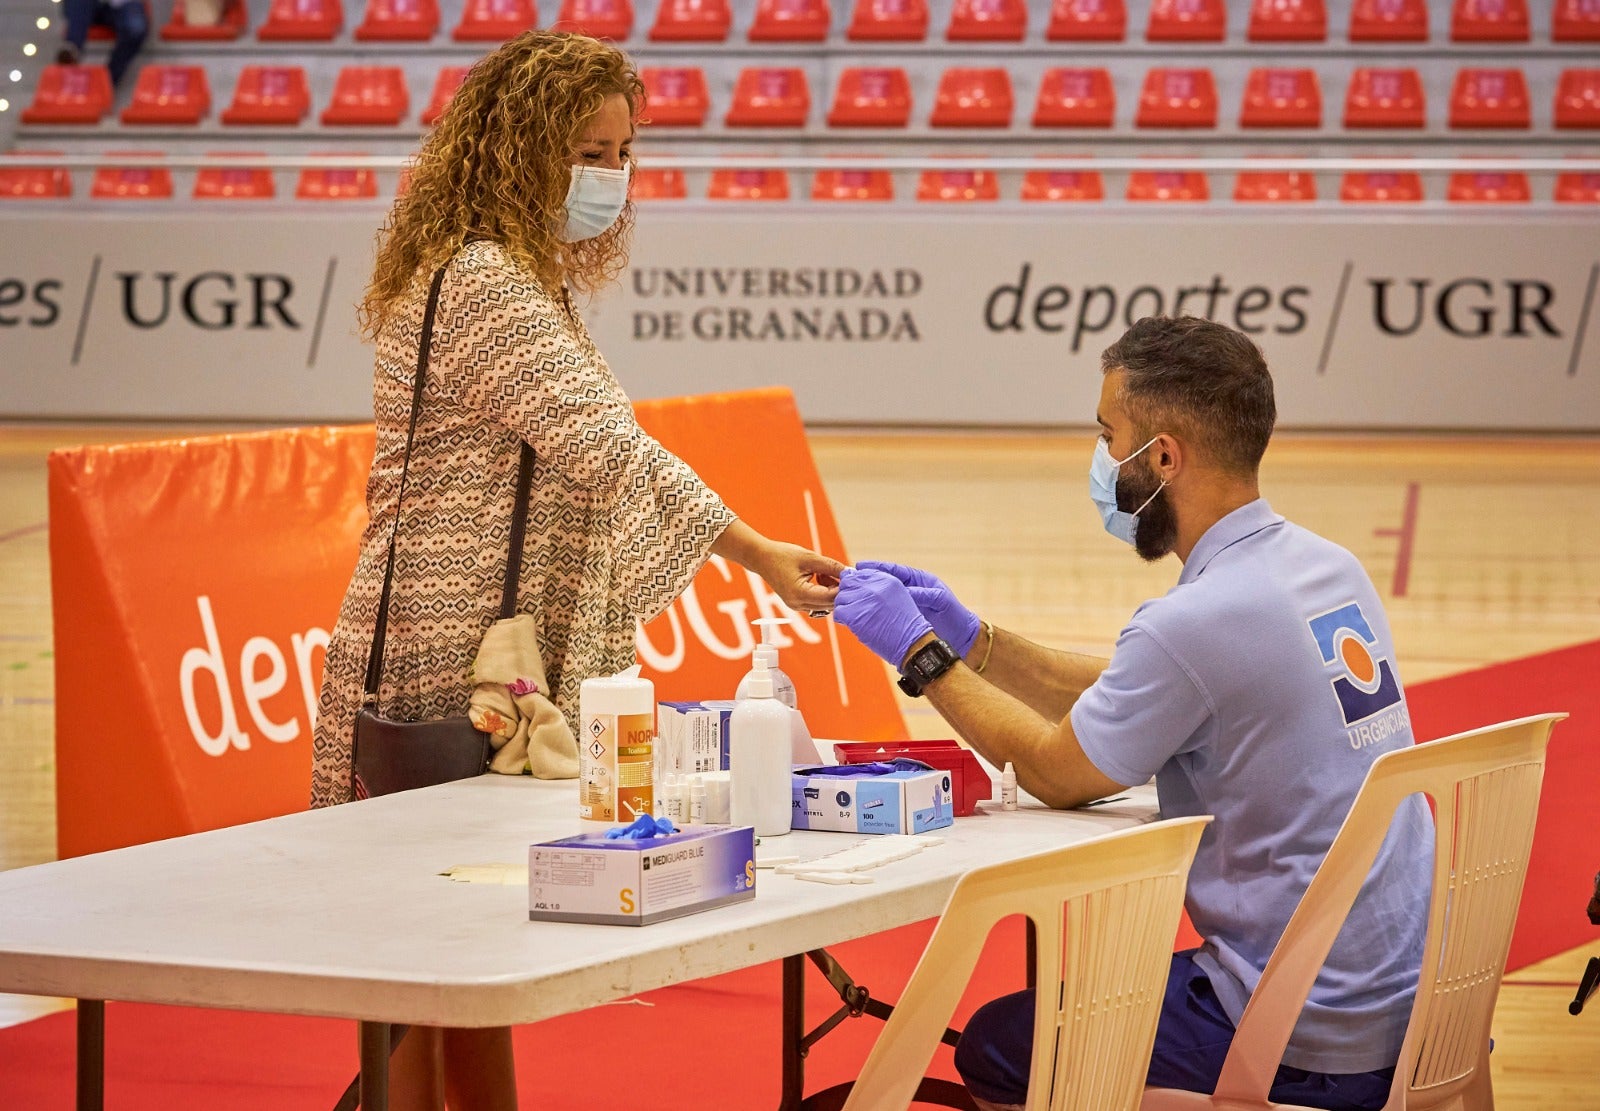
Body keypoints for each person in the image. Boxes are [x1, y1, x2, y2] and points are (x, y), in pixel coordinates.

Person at [309, 31, 841, 1111]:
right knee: (423, 959)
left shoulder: (505, 274)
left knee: (477, 954)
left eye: (621, 153)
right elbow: (612, 446)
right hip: (440, 646)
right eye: (585, 152)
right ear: (516, 148)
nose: (608, 177)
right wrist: (757, 553)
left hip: (478, 639)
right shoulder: (485, 282)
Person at [832, 315, 1433, 1111]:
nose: (1101, 461)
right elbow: (1148, 691)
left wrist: (919, 654)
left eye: (1108, 435)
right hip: (1417, 1010)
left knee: (997, 1044)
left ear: (1162, 458)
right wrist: (976, 641)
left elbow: (1055, 769)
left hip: (1306, 1036)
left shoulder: (1195, 620)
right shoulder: (1328, 567)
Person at [57, 0, 147, 88]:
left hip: (124, 5)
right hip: (86, 5)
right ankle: (71, 50)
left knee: (136, 28)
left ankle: (106, 79)